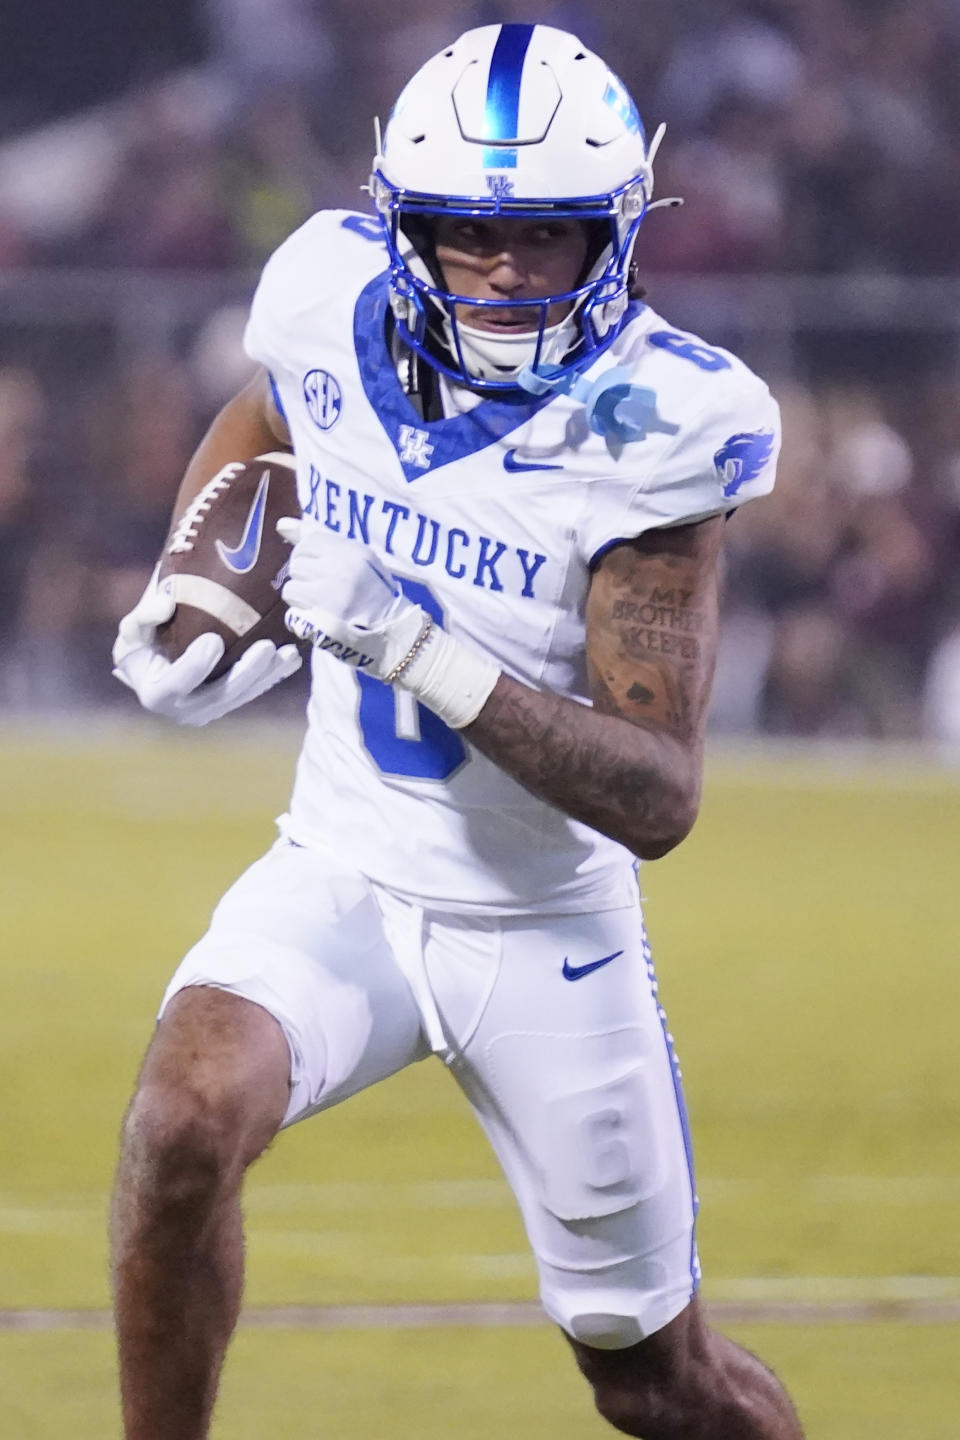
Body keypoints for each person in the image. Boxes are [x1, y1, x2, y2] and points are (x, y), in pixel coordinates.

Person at [110, 23, 804, 1440]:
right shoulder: (323, 292)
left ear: (617, 226)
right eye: (465, 230)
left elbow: (656, 795)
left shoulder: (664, 425)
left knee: (654, 1381)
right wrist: (196, 575)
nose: (502, 266)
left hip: (546, 929)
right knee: (180, 1126)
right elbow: (272, 409)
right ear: (400, 219)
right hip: (345, 864)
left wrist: (414, 650)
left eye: (546, 233)